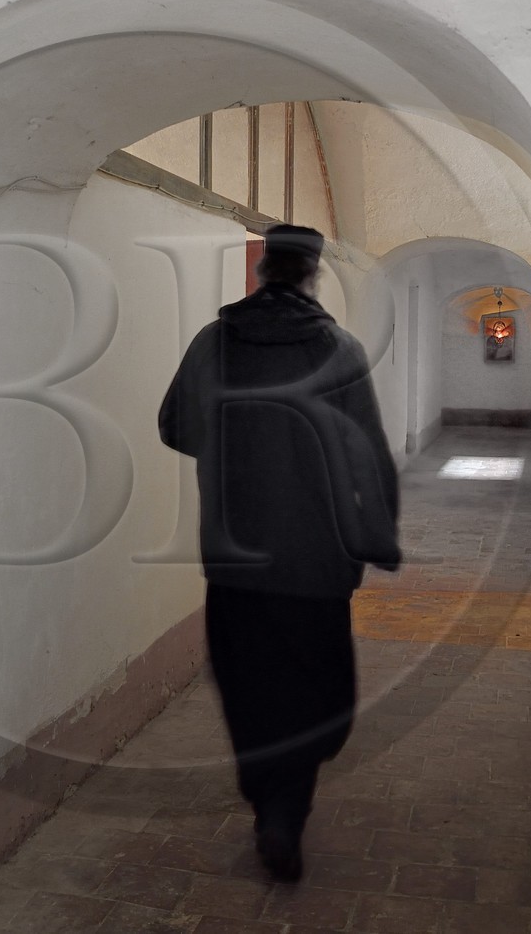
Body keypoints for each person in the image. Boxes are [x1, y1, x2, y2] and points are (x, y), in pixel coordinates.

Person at [158, 223, 400, 881]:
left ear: (265, 270)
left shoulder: (214, 343)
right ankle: (286, 812)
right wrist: (377, 537)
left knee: (249, 686)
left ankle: (270, 806)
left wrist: (239, 445)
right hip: (317, 563)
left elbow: (176, 425)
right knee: (312, 687)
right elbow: (368, 457)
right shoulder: (339, 350)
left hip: (235, 560)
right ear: (313, 274)